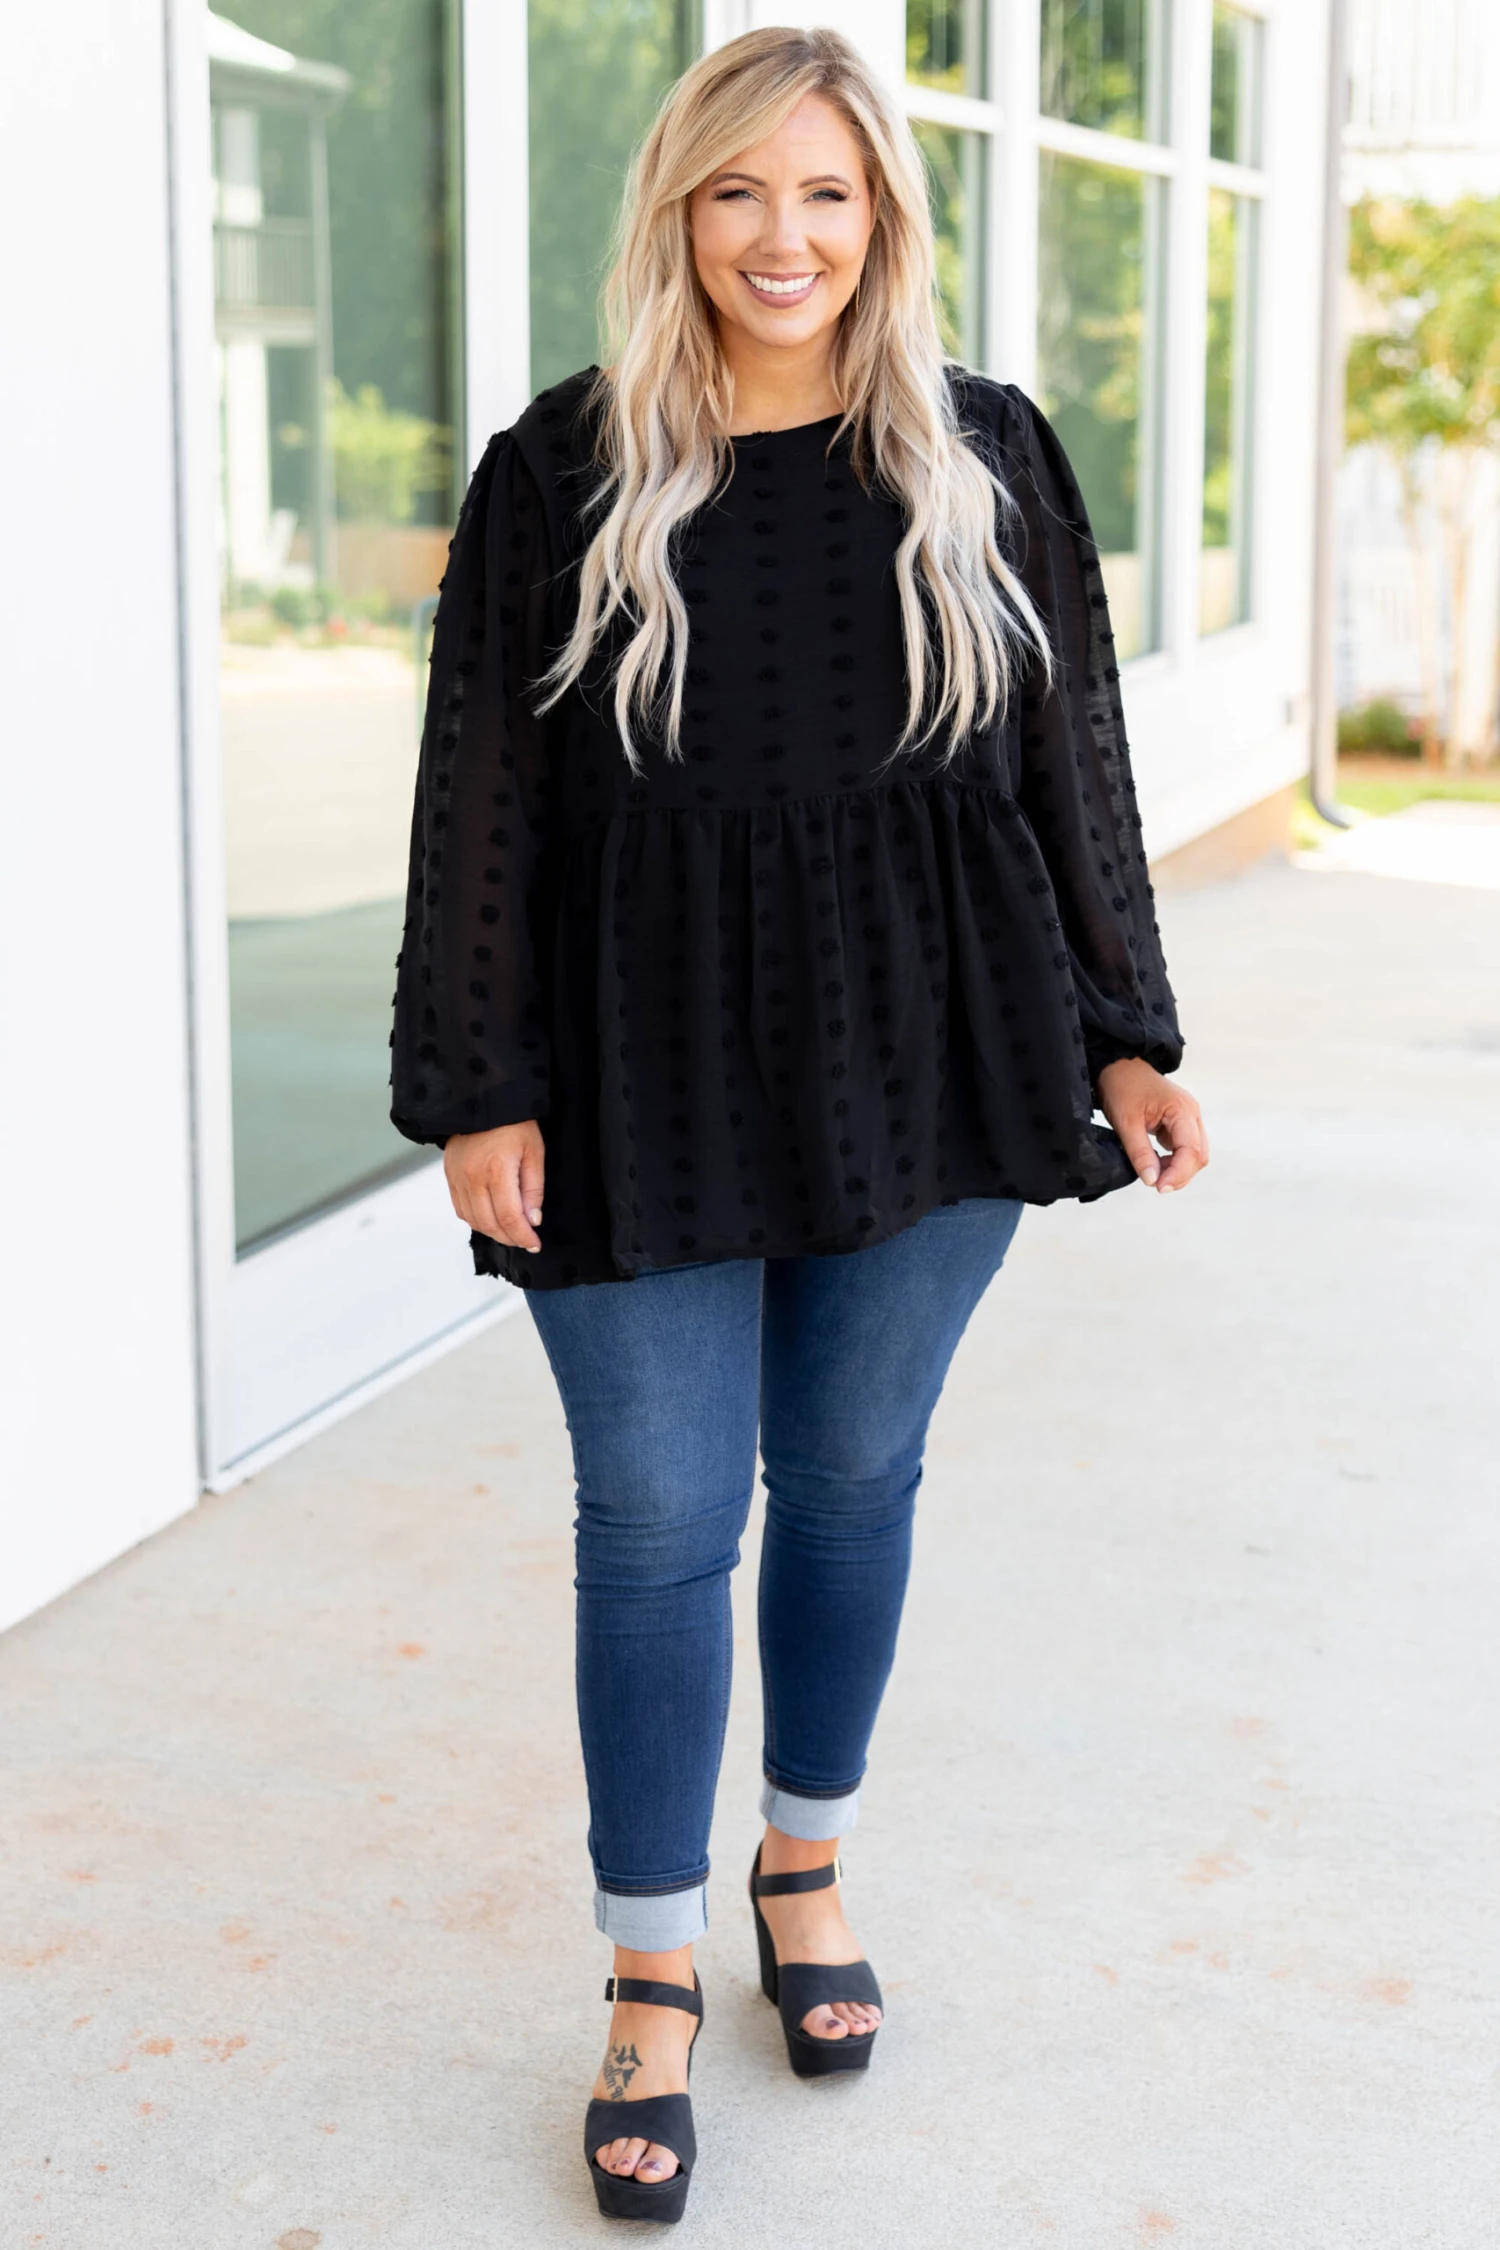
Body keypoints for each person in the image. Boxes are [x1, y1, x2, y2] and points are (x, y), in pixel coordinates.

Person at [391, 24, 1207, 2225]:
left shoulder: (985, 452)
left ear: (883, 220)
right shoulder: (563, 468)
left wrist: (1129, 1032)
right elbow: (481, 785)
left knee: (851, 1478)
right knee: (659, 1514)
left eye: (828, 193)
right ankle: (651, 1971)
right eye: (741, 192)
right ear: (679, 214)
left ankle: (807, 1864)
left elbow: (1073, 759)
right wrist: (477, 1078)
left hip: (933, 1039)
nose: (785, 237)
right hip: (631, 1059)